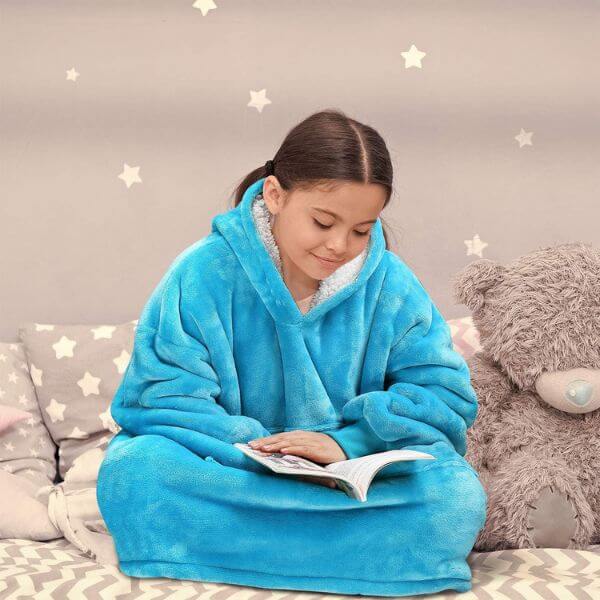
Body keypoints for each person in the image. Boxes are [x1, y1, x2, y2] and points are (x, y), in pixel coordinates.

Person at [96, 109, 487, 597]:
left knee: (454, 496)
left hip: (352, 475)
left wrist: (348, 444)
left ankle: (243, 546)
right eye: (323, 222)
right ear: (275, 195)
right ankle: (351, 553)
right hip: (232, 466)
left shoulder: (392, 284)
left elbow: (444, 397)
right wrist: (263, 451)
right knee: (137, 472)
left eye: (362, 230)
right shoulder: (202, 273)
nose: (339, 245)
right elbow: (161, 398)